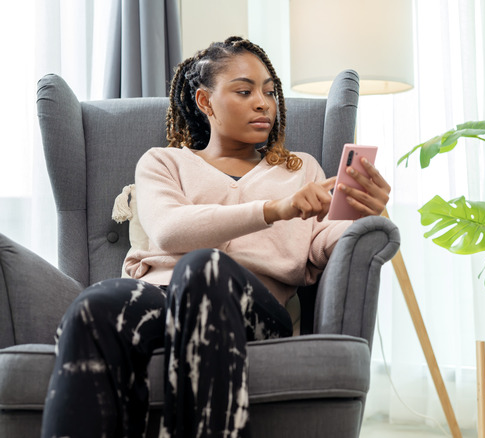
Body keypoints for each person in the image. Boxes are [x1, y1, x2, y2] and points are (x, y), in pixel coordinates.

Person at [40, 36, 391, 438]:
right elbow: (171, 229)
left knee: (203, 268)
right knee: (96, 304)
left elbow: (325, 243)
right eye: (244, 91)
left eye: (269, 92)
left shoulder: (301, 170)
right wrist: (276, 209)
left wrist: (367, 211)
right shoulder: (164, 162)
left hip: (251, 305)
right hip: (160, 295)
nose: (263, 103)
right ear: (205, 102)